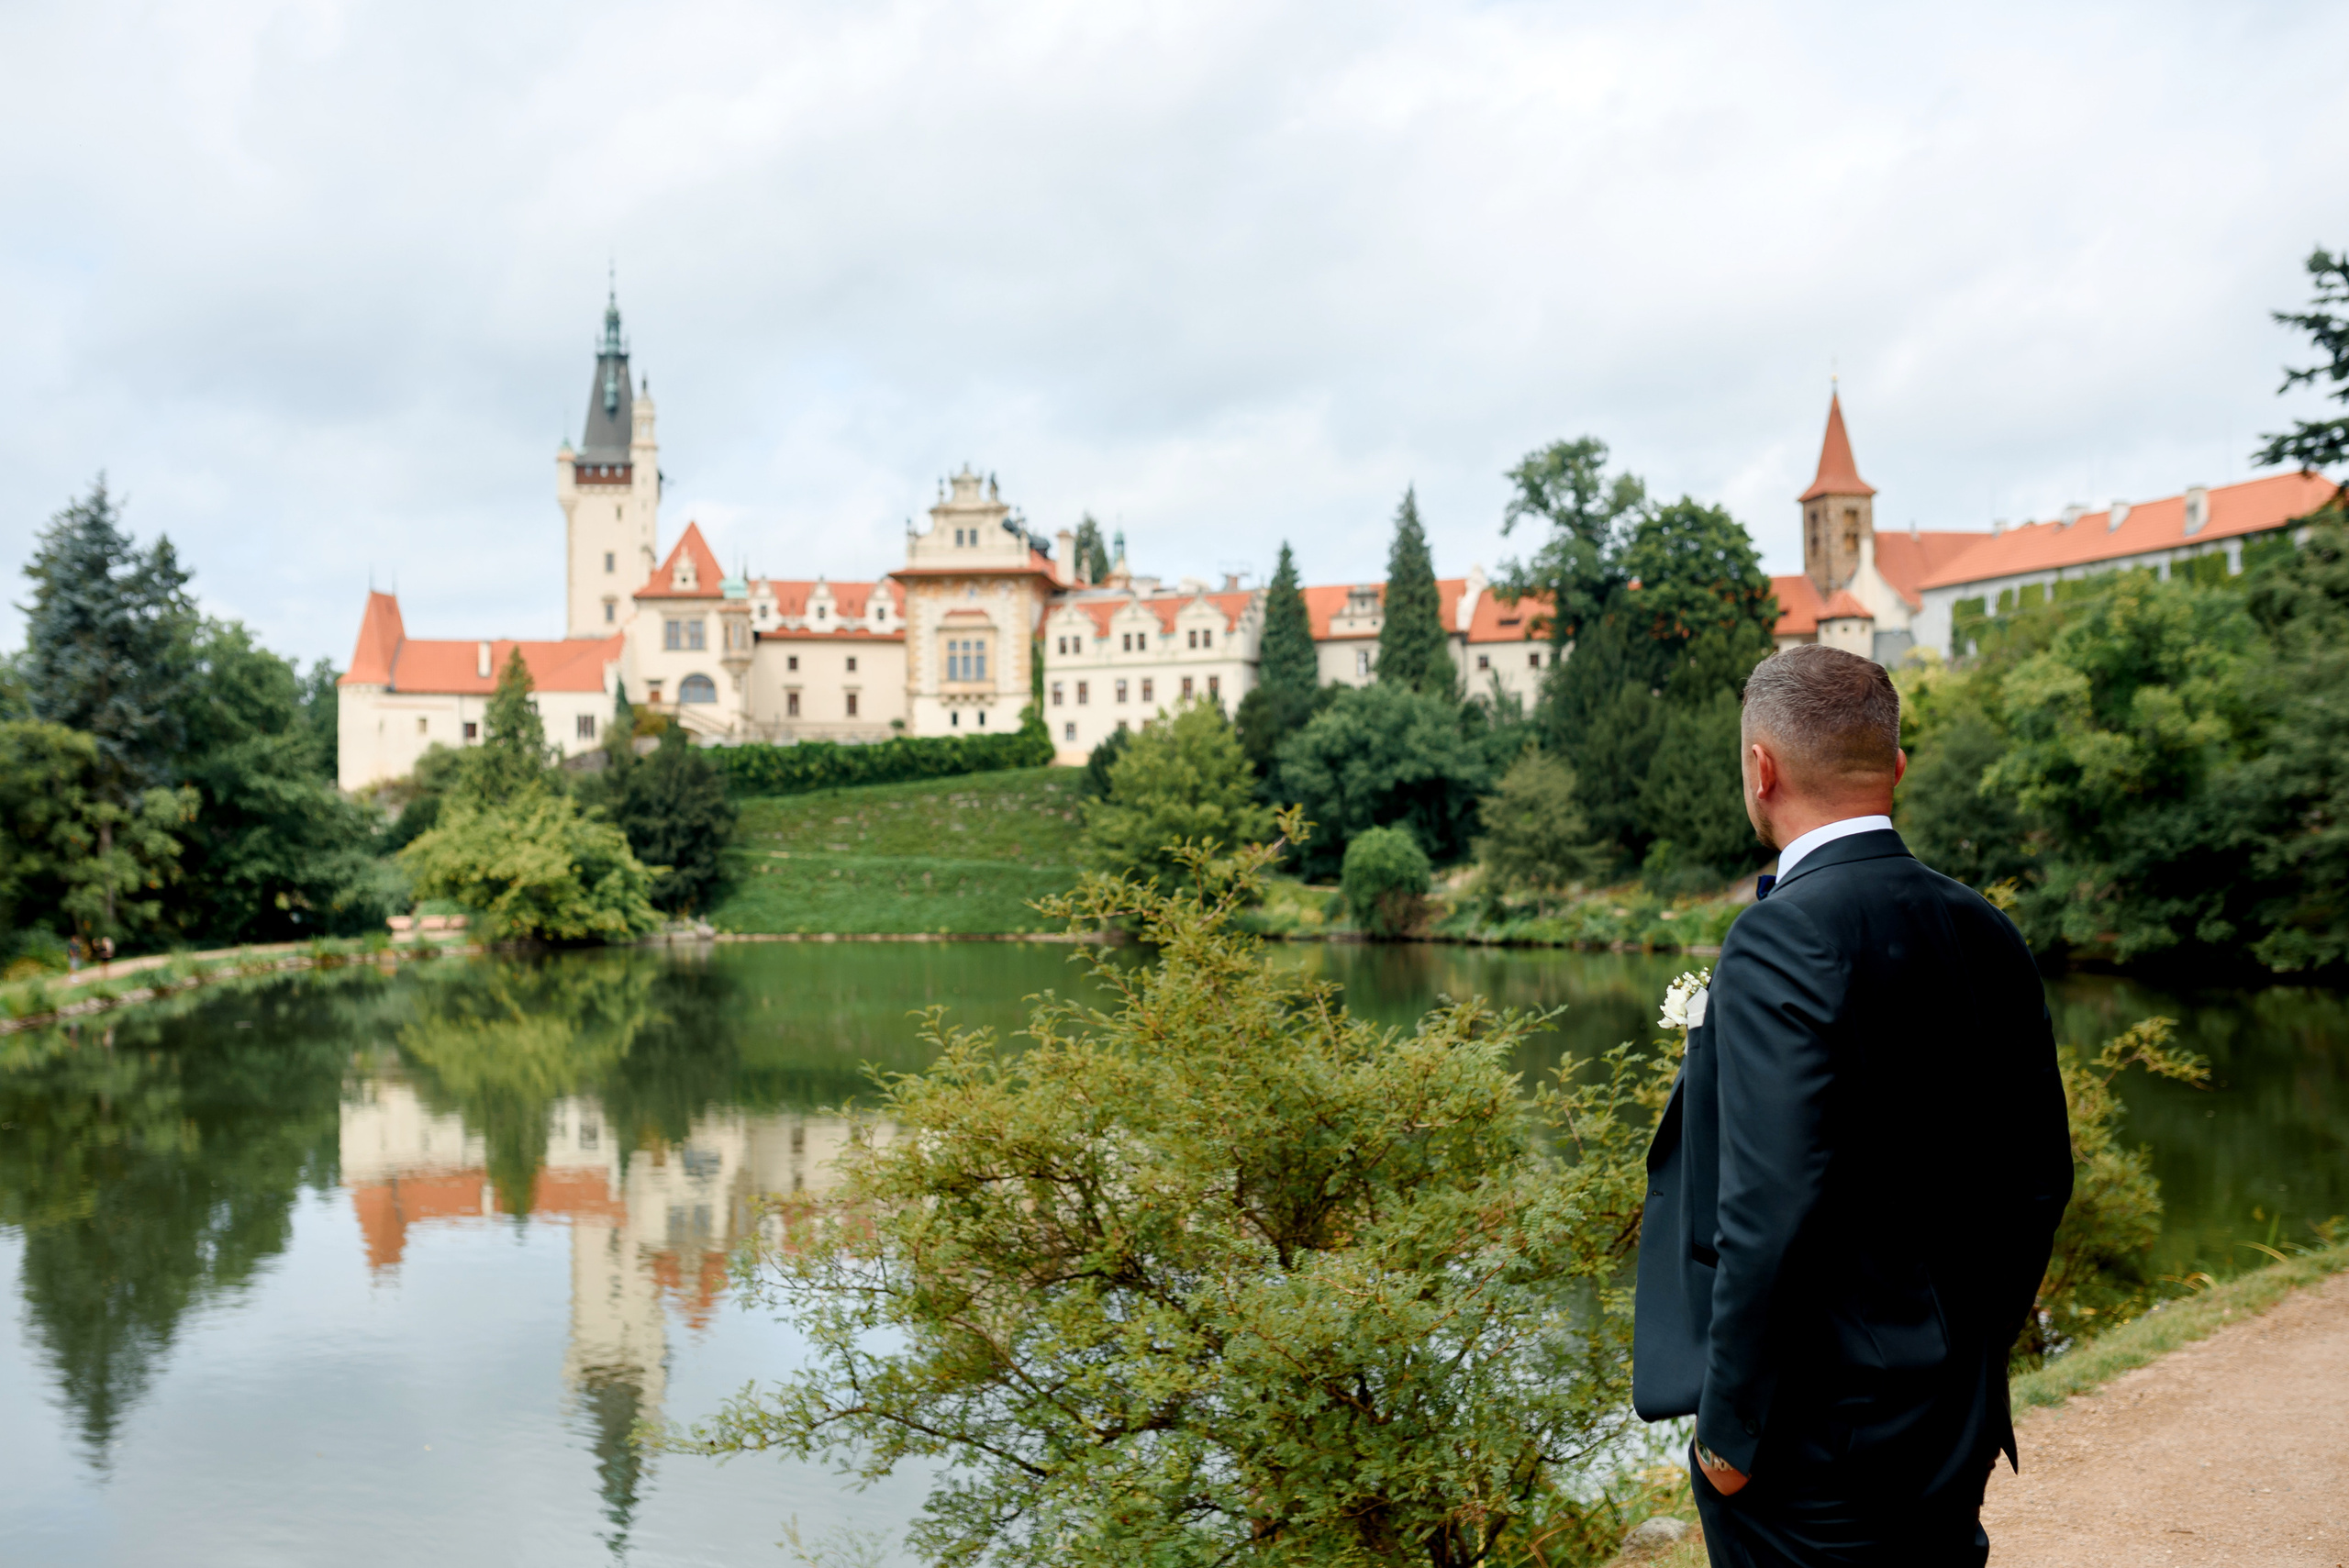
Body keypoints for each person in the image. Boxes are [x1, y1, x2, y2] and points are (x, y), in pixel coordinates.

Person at [1631, 644, 2074, 1566]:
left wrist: (1727, 1437)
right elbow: (2040, 1180)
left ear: (1761, 768)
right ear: (1895, 766)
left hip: (1812, 1445)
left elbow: (1769, 1210)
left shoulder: (1778, 934)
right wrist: (1969, 1363)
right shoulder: (1986, 928)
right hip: (1949, 1420)